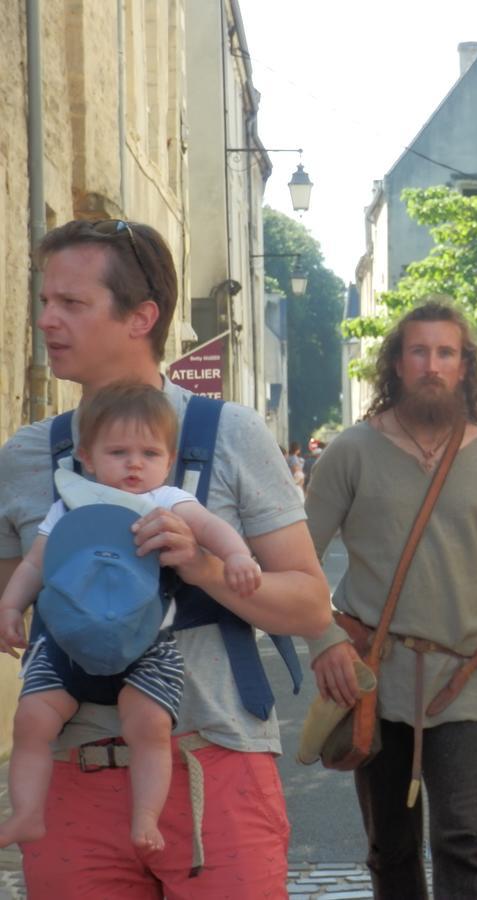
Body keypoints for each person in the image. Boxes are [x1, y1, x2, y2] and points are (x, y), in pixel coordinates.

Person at [0, 218, 331, 897]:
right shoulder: (27, 457)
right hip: (71, 779)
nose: (45, 320)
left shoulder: (229, 433)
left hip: (214, 767)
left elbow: (308, 602)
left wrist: (204, 567)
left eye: (71, 303)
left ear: (141, 317)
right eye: (43, 302)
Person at [304, 299, 477, 898]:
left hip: (466, 681)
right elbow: (298, 561)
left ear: (465, 367)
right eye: (418, 351)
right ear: (396, 363)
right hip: (371, 679)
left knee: (465, 844)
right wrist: (324, 644)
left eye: (446, 353)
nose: (431, 365)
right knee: (390, 850)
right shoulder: (351, 452)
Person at [0, 382, 263, 852]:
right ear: (87, 455)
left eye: (149, 452)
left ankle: (146, 817)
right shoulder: (68, 505)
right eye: (118, 452)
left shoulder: (166, 500)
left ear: (170, 457)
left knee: (150, 726)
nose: (135, 464)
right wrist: (10, 605)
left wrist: (238, 557)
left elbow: (213, 529)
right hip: (66, 643)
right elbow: (36, 564)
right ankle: (27, 813)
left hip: (147, 645)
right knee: (32, 721)